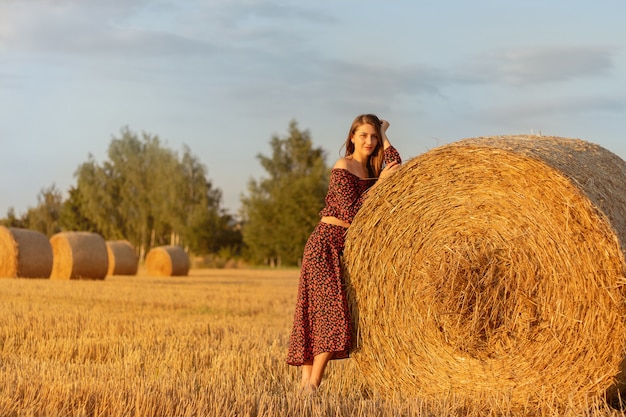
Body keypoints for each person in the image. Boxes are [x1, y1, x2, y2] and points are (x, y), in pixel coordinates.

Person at [286, 114, 402, 393]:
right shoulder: (343, 166)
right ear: (352, 136)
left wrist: (385, 133)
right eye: (363, 135)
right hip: (324, 244)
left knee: (322, 312)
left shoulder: (372, 169)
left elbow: (397, 165)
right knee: (325, 313)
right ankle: (312, 382)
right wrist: (380, 186)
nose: (369, 141)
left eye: (373, 137)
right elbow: (351, 212)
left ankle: (305, 387)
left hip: (345, 250)